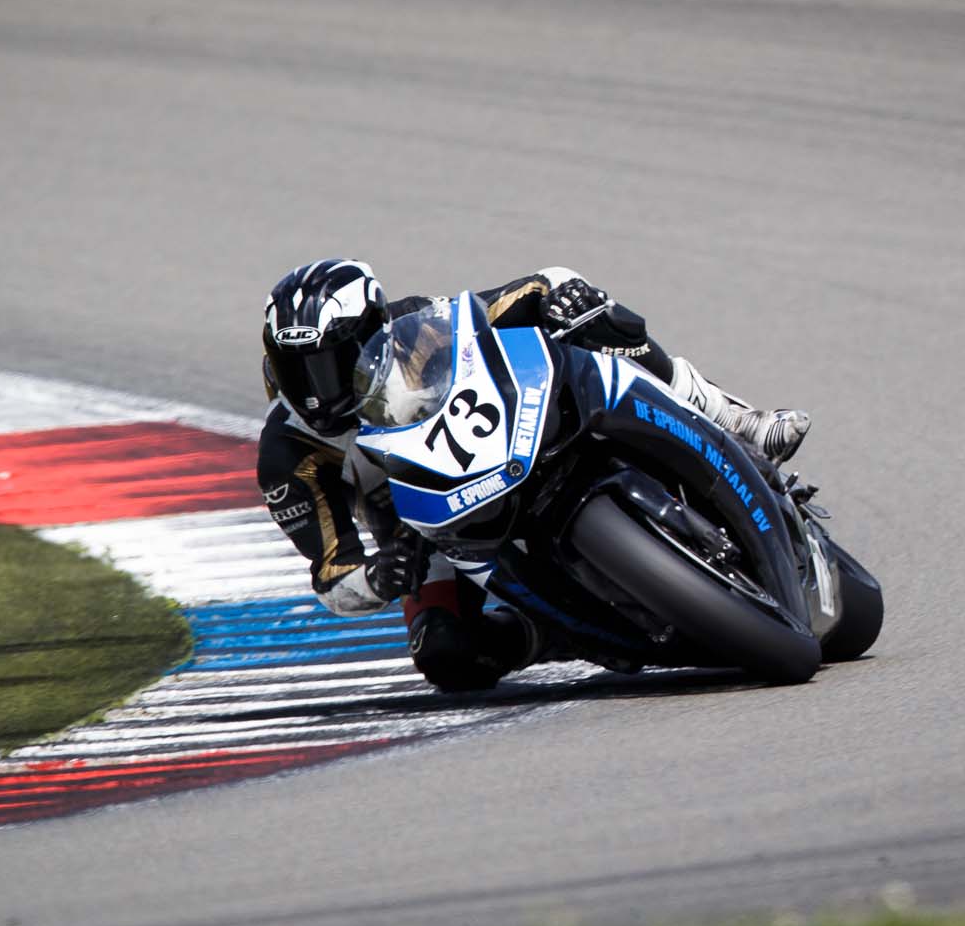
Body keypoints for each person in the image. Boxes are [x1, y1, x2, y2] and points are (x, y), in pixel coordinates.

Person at [256, 259, 810, 691]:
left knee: (601, 328)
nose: (314, 387)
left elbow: (524, 293)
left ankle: (732, 418)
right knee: (447, 655)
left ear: (369, 331)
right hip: (422, 528)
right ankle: (549, 633)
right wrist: (380, 577)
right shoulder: (288, 455)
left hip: (505, 442)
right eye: (295, 366)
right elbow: (333, 577)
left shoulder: (413, 328)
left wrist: (563, 298)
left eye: (328, 363)